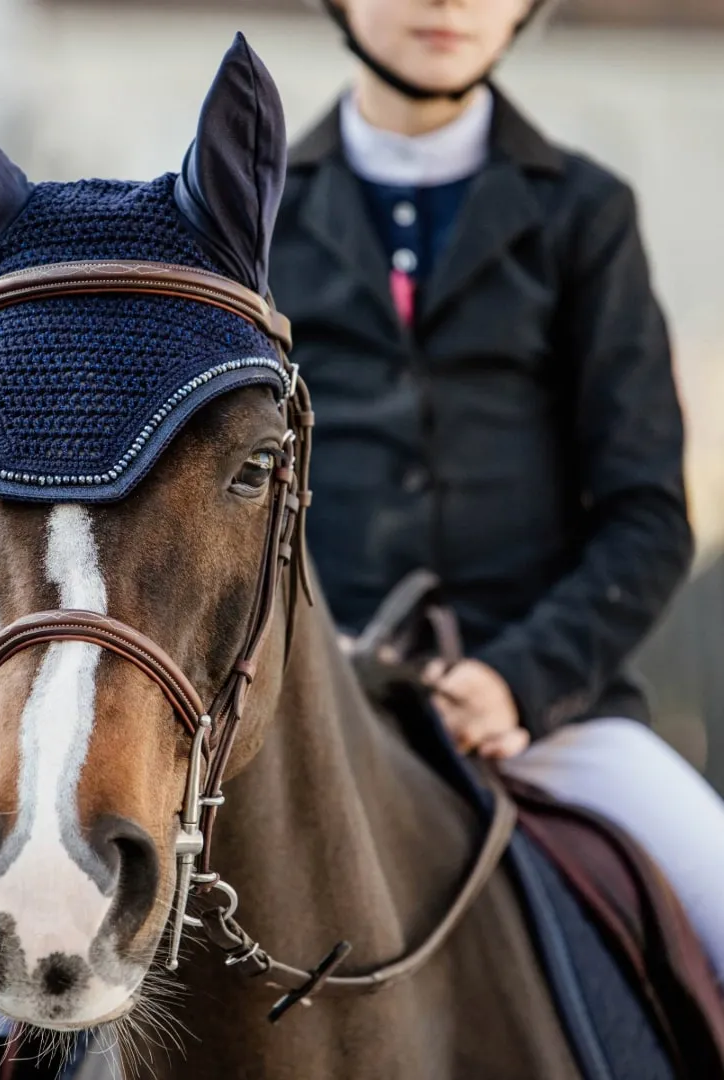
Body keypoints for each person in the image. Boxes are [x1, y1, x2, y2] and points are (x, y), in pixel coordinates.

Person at [269, 0, 724, 980]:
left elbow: (647, 519)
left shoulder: (586, 213)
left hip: (548, 717)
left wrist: (517, 676)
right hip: (299, 710)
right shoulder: (257, 216)